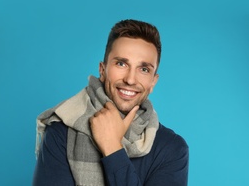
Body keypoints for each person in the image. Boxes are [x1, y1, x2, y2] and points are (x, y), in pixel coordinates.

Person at [33, 19, 189, 186]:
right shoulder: (61, 133)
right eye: (121, 63)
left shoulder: (172, 149)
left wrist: (112, 148)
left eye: (144, 69)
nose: (130, 79)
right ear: (102, 70)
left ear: (153, 82)